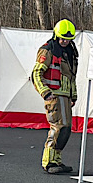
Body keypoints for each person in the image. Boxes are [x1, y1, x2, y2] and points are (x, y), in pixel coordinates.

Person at [32, 19, 79, 174]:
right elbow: (36, 74)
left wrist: (73, 96)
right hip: (54, 96)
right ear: (56, 35)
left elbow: (71, 76)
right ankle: (48, 162)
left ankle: (56, 160)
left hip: (65, 97)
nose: (64, 41)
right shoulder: (48, 50)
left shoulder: (70, 52)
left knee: (65, 130)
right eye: (62, 38)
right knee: (57, 128)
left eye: (68, 39)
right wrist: (46, 93)